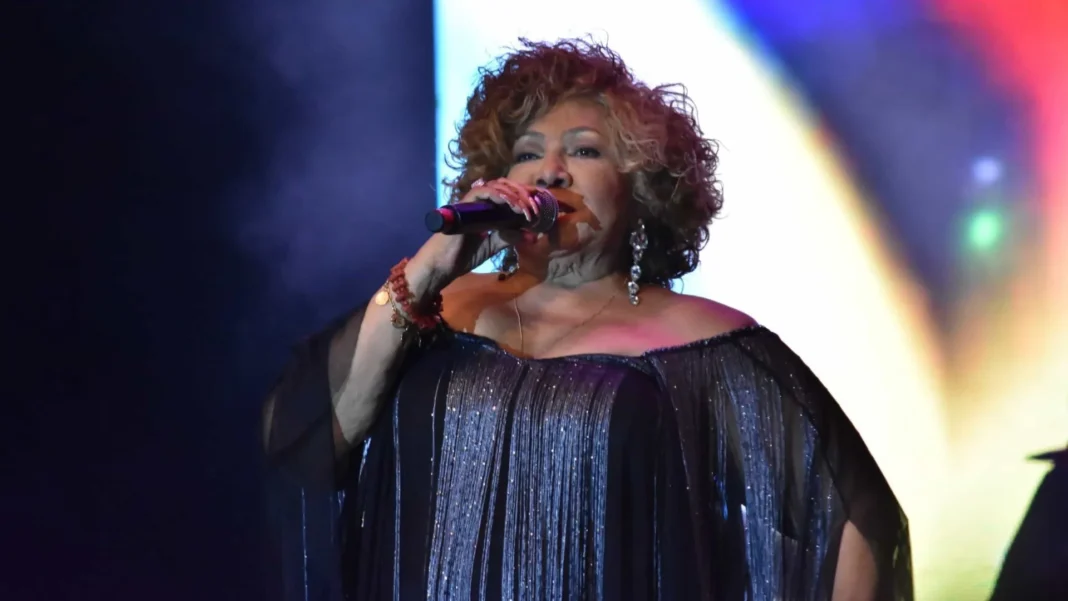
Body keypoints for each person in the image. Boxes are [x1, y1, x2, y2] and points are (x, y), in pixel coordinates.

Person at [261, 38, 912, 601]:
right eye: (527, 154)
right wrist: (431, 269)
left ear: (642, 190)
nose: (550, 171)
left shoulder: (705, 343)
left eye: (585, 151)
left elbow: (859, 519)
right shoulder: (440, 309)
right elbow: (309, 434)